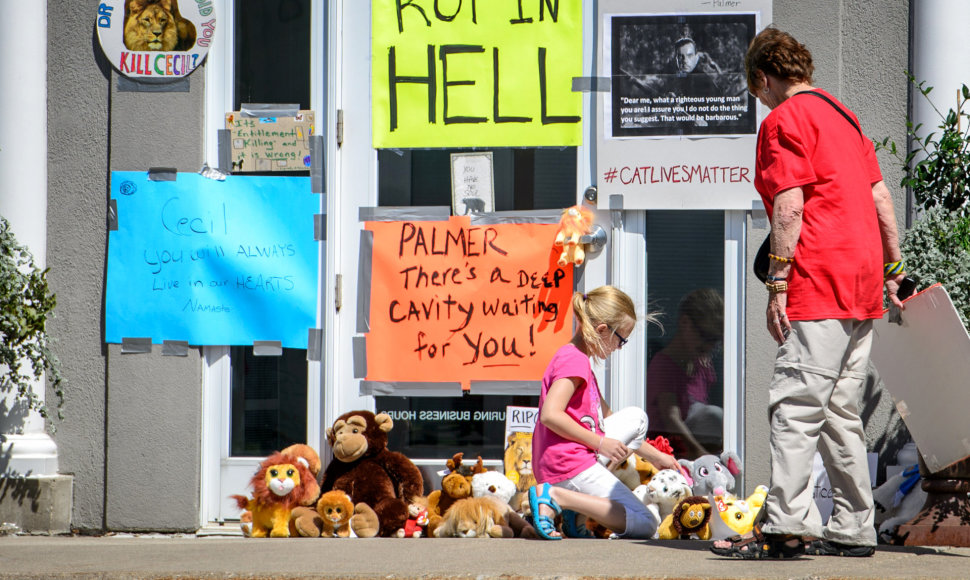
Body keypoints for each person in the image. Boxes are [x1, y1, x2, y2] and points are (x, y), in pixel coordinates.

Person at [711, 27, 906, 559]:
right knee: (840, 409)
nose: (760, 101)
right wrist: (892, 267)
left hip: (818, 280)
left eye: (757, 92)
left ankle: (786, 525)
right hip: (863, 280)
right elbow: (881, 198)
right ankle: (854, 525)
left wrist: (777, 284)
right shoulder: (845, 116)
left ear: (763, 78)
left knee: (796, 406)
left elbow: (790, 205)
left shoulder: (783, 120)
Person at [528, 286, 681, 540]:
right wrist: (601, 443)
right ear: (601, 330)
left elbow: (613, 422)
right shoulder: (573, 361)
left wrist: (657, 457)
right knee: (645, 524)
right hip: (568, 464)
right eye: (621, 339)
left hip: (568, 460)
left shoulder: (577, 359)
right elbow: (550, 414)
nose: (619, 348)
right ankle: (557, 496)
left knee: (637, 418)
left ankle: (573, 510)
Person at [647, 288, 724, 459]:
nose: (708, 346)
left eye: (715, 341)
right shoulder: (663, 364)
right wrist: (700, 453)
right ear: (684, 323)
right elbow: (671, 418)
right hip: (668, 452)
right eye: (704, 335)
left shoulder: (702, 365)